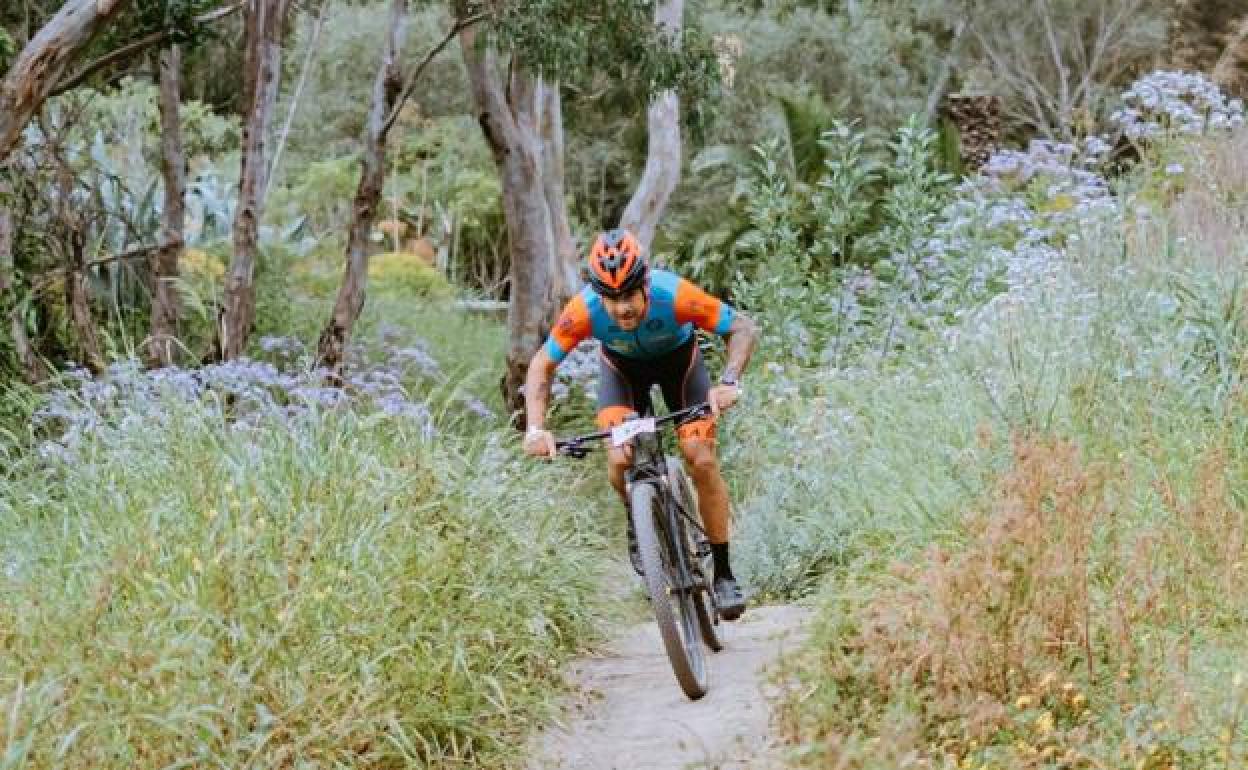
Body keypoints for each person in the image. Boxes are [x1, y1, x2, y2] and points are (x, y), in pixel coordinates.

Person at [521, 228, 758, 620]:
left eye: (629, 295)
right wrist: (535, 428)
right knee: (618, 460)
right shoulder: (583, 310)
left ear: (645, 284)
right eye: (610, 298)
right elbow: (541, 365)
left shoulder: (675, 295)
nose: (621, 309)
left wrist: (729, 381)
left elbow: (742, 328)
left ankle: (724, 573)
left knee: (699, 457)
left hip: (679, 365)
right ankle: (640, 521)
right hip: (622, 373)